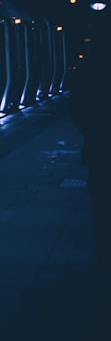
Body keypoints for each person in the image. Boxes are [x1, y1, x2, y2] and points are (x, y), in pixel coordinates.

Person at [70, 31, 111, 267]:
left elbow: (77, 106)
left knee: (100, 200)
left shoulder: (92, 65)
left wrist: (92, 133)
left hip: (99, 145)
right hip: (99, 142)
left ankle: (103, 250)